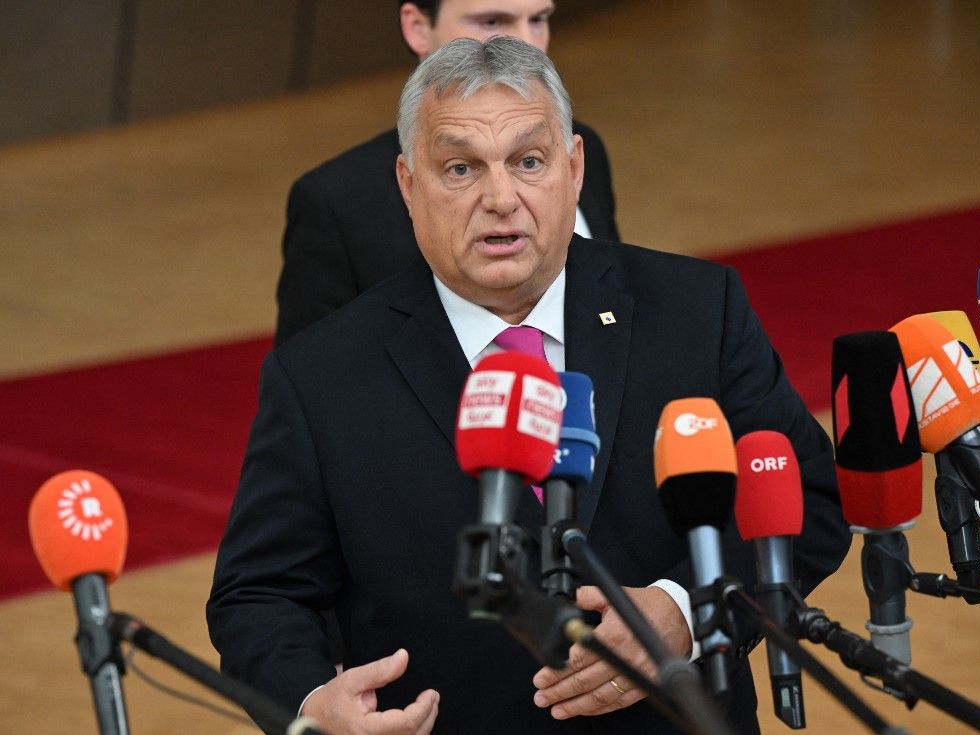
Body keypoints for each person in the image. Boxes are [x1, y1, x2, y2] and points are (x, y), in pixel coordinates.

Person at [208, 37, 850, 734]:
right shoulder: (323, 373)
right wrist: (308, 704)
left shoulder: (697, 308)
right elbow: (256, 593)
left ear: (573, 169)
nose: (501, 198)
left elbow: (804, 498)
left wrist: (682, 608)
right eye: (460, 167)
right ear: (408, 185)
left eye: (529, 161)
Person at [273, 0, 620, 347]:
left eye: (539, 20)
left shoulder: (583, 147)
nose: (523, 46)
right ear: (418, 27)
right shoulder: (335, 203)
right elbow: (314, 378)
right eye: (492, 21)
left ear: (575, 167)